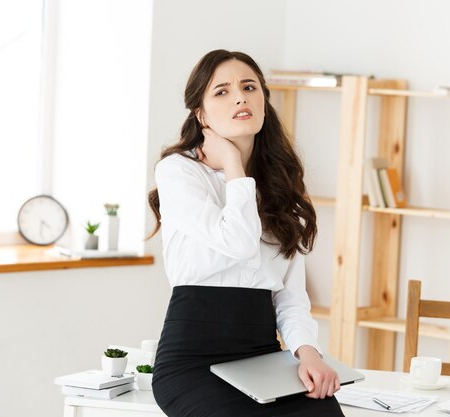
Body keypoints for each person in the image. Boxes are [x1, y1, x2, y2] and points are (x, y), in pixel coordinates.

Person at [147, 49, 345, 417]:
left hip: (262, 357)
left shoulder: (281, 188)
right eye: (221, 91)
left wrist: (309, 354)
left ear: (264, 105)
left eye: (249, 87)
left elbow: (290, 297)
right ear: (201, 114)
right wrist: (235, 164)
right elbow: (236, 242)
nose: (240, 97)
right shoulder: (178, 172)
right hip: (193, 361)